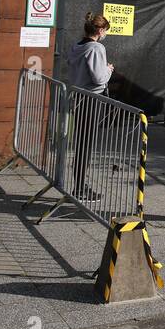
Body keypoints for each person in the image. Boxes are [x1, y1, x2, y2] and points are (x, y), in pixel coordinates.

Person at [66, 12, 113, 201]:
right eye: (106, 31)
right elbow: (99, 78)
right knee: (86, 143)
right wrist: (108, 69)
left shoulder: (76, 46)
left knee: (81, 142)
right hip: (91, 99)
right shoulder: (96, 48)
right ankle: (79, 188)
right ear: (100, 30)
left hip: (78, 97)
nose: (106, 34)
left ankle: (79, 184)